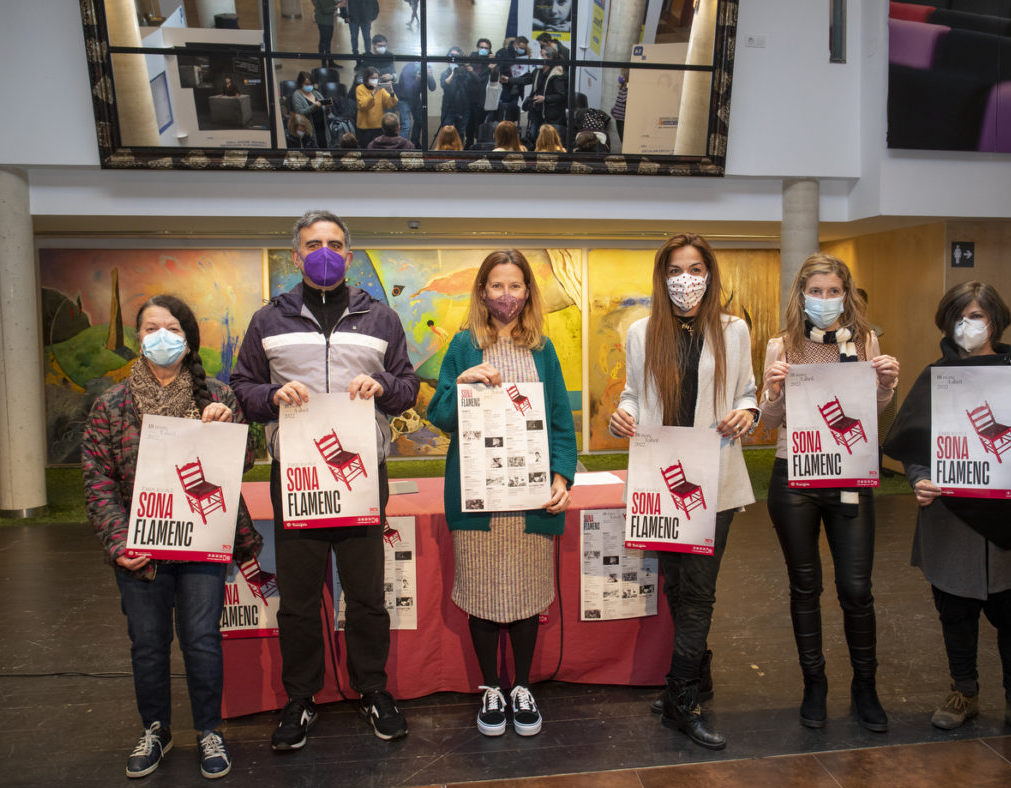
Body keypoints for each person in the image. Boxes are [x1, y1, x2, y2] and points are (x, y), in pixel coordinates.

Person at [230, 210, 419, 752]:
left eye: (335, 244)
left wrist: (382, 385)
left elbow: (409, 386)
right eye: (314, 244)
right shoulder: (269, 319)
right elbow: (241, 385)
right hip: (298, 479)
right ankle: (300, 698)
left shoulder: (381, 318)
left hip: (362, 477)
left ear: (350, 254)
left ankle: (373, 689)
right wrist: (272, 396)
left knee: (365, 596)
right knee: (297, 599)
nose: (325, 252)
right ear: (296, 256)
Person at [883, 281, 1011, 751]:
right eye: (959, 316)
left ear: (997, 321)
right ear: (946, 321)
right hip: (952, 518)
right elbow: (913, 446)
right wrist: (919, 479)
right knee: (956, 610)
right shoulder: (936, 377)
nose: (968, 325)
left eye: (978, 315)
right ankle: (963, 692)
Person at [82, 294, 262, 781]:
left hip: (202, 544)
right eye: (149, 329)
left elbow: (246, 461)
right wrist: (120, 543)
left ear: (188, 339)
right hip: (140, 551)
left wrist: (231, 429)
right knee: (147, 643)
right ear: (137, 339)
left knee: (202, 640)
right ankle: (156, 730)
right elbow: (97, 479)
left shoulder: (218, 396)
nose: (161, 338)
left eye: (172, 329)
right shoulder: (111, 405)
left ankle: (209, 730)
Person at [609, 233, 759, 751]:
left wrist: (749, 412)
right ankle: (699, 675)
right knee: (676, 583)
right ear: (662, 276)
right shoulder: (642, 331)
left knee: (699, 590)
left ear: (710, 274)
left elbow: (747, 391)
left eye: (695, 268)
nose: (685, 279)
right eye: (675, 270)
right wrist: (621, 417)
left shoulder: (734, 330)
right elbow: (632, 394)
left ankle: (681, 697)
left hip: (711, 476)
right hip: (658, 474)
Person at [426, 249, 576, 738]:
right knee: (482, 593)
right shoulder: (464, 346)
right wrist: (462, 383)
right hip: (478, 498)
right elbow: (442, 415)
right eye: (496, 286)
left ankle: (522, 687)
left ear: (527, 292)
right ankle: (492, 686)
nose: (506, 295)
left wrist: (562, 476)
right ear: (482, 292)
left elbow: (558, 421)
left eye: (515, 286)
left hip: (530, 499)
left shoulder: (544, 349)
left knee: (529, 595)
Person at [757, 253, 899, 734]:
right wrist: (772, 394)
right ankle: (813, 683)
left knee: (857, 590)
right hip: (793, 474)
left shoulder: (866, 340)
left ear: (847, 293)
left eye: (832, 291)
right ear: (801, 295)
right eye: (814, 291)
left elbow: (874, 412)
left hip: (850, 474)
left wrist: (886, 386)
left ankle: (866, 685)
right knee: (805, 586)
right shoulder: (782, 345)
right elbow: (768, 422)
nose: (824, 300)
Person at [507, 44, 567, 146]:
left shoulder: (557, 75)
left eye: (543, 55)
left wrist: (545, 98)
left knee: (545, 140)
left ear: (550, 58)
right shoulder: (537, 71)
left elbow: (561, 95)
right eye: (540, 54)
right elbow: (526, 80)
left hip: (549, 114)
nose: (540, 57)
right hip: (536, 111)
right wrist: (509, 80)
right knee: (534, 137)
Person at [354, 65, 398, 146]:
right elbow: (363, 105)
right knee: (365, 152)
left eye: (376, 78)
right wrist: (374, 91)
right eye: (372, 78)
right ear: (366, 78)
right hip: (364, 129)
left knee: (378, 151)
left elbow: (390, 104)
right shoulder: (360, 89)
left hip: (378, 127)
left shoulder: (381, 89)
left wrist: (391, 91)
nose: (375, 80)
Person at [395, 60, 435, 146]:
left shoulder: (426, 68)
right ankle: (403, 147)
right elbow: (408, 90)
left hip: (416, 98)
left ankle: (414, 143)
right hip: (404, 98)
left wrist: (430, 76)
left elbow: (432, 87)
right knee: (406, 125)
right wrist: (417, 79)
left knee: (420, 121)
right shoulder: (408, 68)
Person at [439, 48, 475, 138]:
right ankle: (446, 151)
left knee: (460, 134)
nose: (454, 58)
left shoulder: (466, 72)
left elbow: (477, 82)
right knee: (446, 134)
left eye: (457, 56)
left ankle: (459, 150)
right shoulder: (445, 73)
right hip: (448, 109)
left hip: (464, 108)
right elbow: (444, 85)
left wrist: (469, 69)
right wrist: (453, 73)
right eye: (452, 55)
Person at [291, 71, 330, 148]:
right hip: (309, 133)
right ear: (301, 83)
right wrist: (314, 106)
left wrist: (327, 107)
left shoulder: (316, 93)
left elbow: (325, 112)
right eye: (307, 84)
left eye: (311, 84)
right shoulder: (297, 95)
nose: (309, 86)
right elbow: (300, 113)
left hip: (322, 130)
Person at [313, 0, 347, 69]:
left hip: (327, 21)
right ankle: (324, 62)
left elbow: (331, 2)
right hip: (324, 22)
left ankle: (329, 61)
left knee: (327, 42)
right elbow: (325, 10)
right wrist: (338, 6)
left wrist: (339, 2)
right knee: (324, 42)